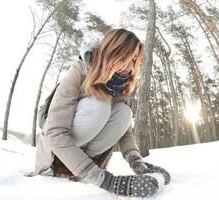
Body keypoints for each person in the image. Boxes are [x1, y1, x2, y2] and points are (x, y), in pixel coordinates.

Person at [31, 28, 171, 198]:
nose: (129, 67)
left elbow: (124, 130)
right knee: (100, 105)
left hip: (89, 154)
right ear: (110, 52)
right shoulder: (80, 70)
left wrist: (136, 162)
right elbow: (55, 131)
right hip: (56, 152)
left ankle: (82, 168)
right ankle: (61, 168)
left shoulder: (122, 84)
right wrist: (108, 182)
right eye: (124, 58)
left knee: (124, 113)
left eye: (134, 60)